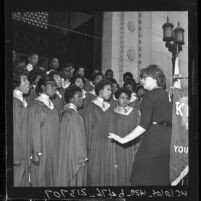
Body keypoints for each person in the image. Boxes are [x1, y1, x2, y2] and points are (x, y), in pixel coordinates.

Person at [109, 65, 172, 186]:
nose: (141, 80)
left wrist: (123, 139)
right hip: (167, 140)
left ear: (154, 78)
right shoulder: (167, 95)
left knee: (140, 176)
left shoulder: (149, 95)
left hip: (153, 139)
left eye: (144, 77)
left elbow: (144, 125)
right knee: (160, 176)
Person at [26, 75, 60, 186]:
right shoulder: (35, 106)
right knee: (40, 180)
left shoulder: (52, 107)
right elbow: (33, 130)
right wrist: (35, 152)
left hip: (53, 149)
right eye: (51, 85)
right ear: (42, 87)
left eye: (55, 85)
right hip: (41, 150)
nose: (55, 87)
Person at [84, 80, 118, 186]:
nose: (110, 92)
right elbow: (88, 128)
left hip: (108, 144)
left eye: (111, 90)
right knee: (95, 170)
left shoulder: (111, 107)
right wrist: (88, 148)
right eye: (108, 90)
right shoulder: (91, 106)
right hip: (95, 144)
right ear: (100, 90)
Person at [56, 86, 87, 186]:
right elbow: (75, 138)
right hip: (73, 155)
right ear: (71, 99)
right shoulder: (71, 114)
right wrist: (81, 155)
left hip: (69, 152)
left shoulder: (67, 112)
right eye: (79, 97)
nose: (82, 99)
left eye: (82, 96)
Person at [111, 87, 140, 185]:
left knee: (129, 168)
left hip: (130, 146)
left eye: (127, 98)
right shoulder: (112, 113)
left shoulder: (134, 113)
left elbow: (139, 132)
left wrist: (137, 148)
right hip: (116, 146)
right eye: (122, 98)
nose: (124, 100)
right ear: (117, 99)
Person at [13, 67, 30, 186]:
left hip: (25, 150)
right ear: (16, 83)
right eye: (24, 80)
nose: (28, 82)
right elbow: (14, 131)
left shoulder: (22, 101)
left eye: (28, 79)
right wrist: (17, 156)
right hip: (18, 155)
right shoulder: (14, 103)